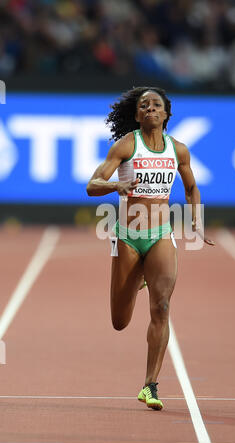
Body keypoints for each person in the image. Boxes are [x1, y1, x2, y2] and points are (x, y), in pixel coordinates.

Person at [86, 86, 214, 411]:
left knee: (162, 308)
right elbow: (91, 185)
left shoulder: (179, 150)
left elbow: (192, 187)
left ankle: (150, 385)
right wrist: (116, 184)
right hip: (128, 235)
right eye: (144, 105)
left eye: (156, 105)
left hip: (160, 233)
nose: (150, 109)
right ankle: (137, 276)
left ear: (166, 114)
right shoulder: (127, 144)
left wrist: (196, 219)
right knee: (120, 321)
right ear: (137, 115)